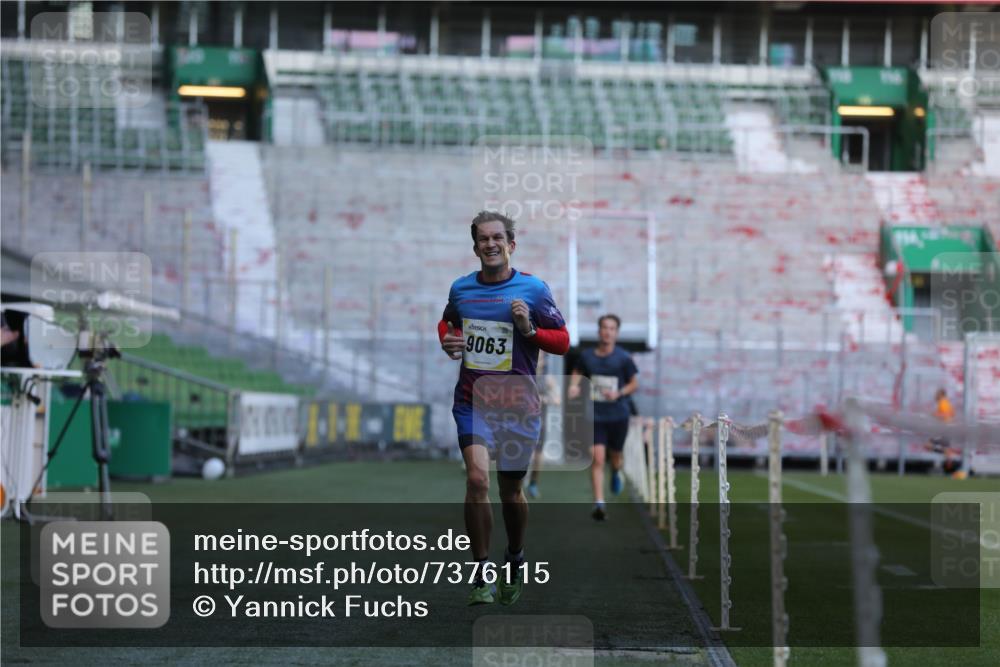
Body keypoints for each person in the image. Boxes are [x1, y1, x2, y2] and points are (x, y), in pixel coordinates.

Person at [439, 211, 569, 606]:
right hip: (473, 401)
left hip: (517, 407)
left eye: (498, 238)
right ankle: (481, 573)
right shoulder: (461, 289)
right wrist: (448, 340)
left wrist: (529, 330)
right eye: (483, 239)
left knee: (510, 491)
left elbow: (562, 341)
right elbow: (447, 323)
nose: (490, 244)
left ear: (511, 245)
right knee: (477, 481)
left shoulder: (533, 290)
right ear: (475, 246)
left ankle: (514, 557)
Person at [567, 314, 639, 521]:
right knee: (597, 458)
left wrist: (620, 393)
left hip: (618, 415)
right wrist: (573, 386)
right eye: (604, 328)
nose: (607, 332)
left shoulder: (624, 358)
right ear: (599, 331)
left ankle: (616, 472)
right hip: (594, 414)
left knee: (615, 457)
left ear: (616, 332)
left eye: (612, 328)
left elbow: (635, 384)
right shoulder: (587, 356)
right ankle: (599, 503)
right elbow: (577, 371)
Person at [526, 353, 561, 499]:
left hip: (540, 421)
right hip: (521, 420)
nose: (538, 358)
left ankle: (533, 483)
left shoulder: (548, 379)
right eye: (536, 353)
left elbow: (558, 400)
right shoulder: (523, 375)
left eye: (541, 355)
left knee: (537, 456)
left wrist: (544, 399)